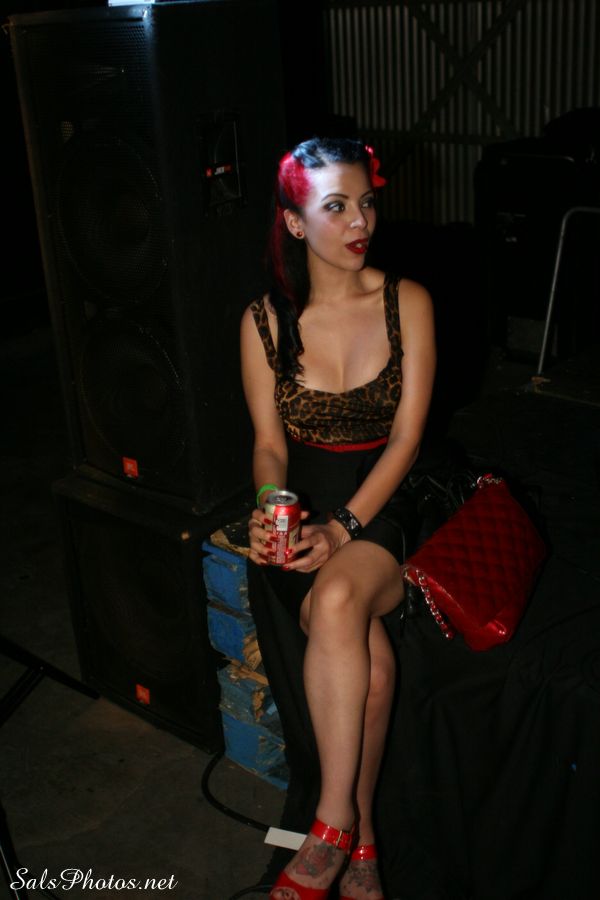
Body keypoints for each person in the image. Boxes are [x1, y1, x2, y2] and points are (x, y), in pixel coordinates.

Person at [240, 137, 436, 900]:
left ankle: (328, 827)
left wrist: (343, 528)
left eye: (367, 203)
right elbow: (268, 445)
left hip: (385, 499)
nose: (361, 222)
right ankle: (364, 841)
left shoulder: (406, 301)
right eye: (336, 207)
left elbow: (409, 440)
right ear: (294, 222)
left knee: (341, 599)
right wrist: (271, 507)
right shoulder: (263, 321)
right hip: (305, 504)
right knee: (371, 670)